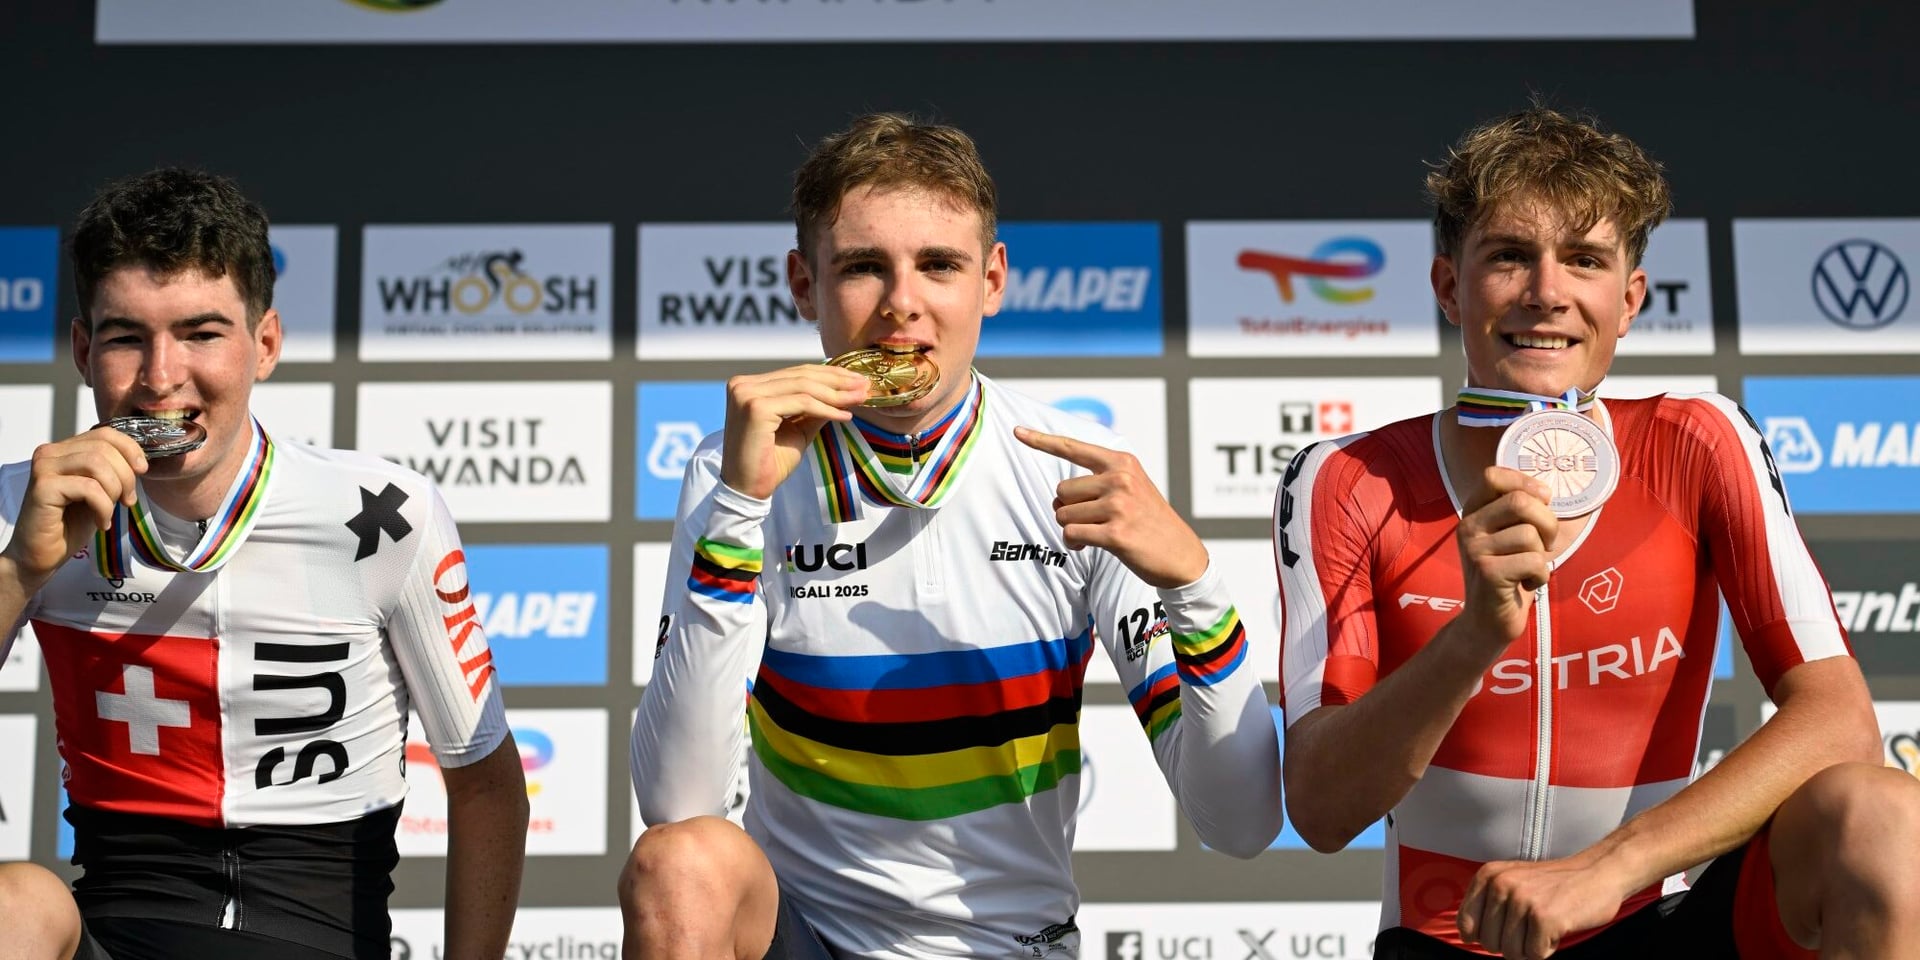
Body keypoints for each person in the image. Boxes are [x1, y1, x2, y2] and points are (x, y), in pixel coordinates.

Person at [621, 113, 1282, 960]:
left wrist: (1195, 586)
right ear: (802, 284)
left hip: (1013, 946)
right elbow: (680, 804)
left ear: (993, 280)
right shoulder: (740, 469)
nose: (903, 303)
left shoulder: (1069, 476)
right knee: (680, 866)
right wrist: (739, 512)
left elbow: (1243, 822)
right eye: (863, 267)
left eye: (939, 265)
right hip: (806, 938)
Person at [1275, 105, 1920, 959]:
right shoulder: (1350, 478)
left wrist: (1606, 870)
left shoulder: (1696, 440)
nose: (1547, 292)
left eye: (1584, 260)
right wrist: (1471, 638)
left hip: (1651, 916)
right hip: (1449, 934)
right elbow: (1321, 809)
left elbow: (1840, 721)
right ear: (1447, 286)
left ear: (1629, 300)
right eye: (1509, 255)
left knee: (1883, 819)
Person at [0, 168, 528, 960]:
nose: (161, 376)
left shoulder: (380, 515)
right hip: (121, 934)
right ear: (82, 350)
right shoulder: (27, 503)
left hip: (321, 941)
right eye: (125, 338)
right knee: (17, 906)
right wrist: (20, 570)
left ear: (267, 344)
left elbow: (485, 784)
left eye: (201, 333)